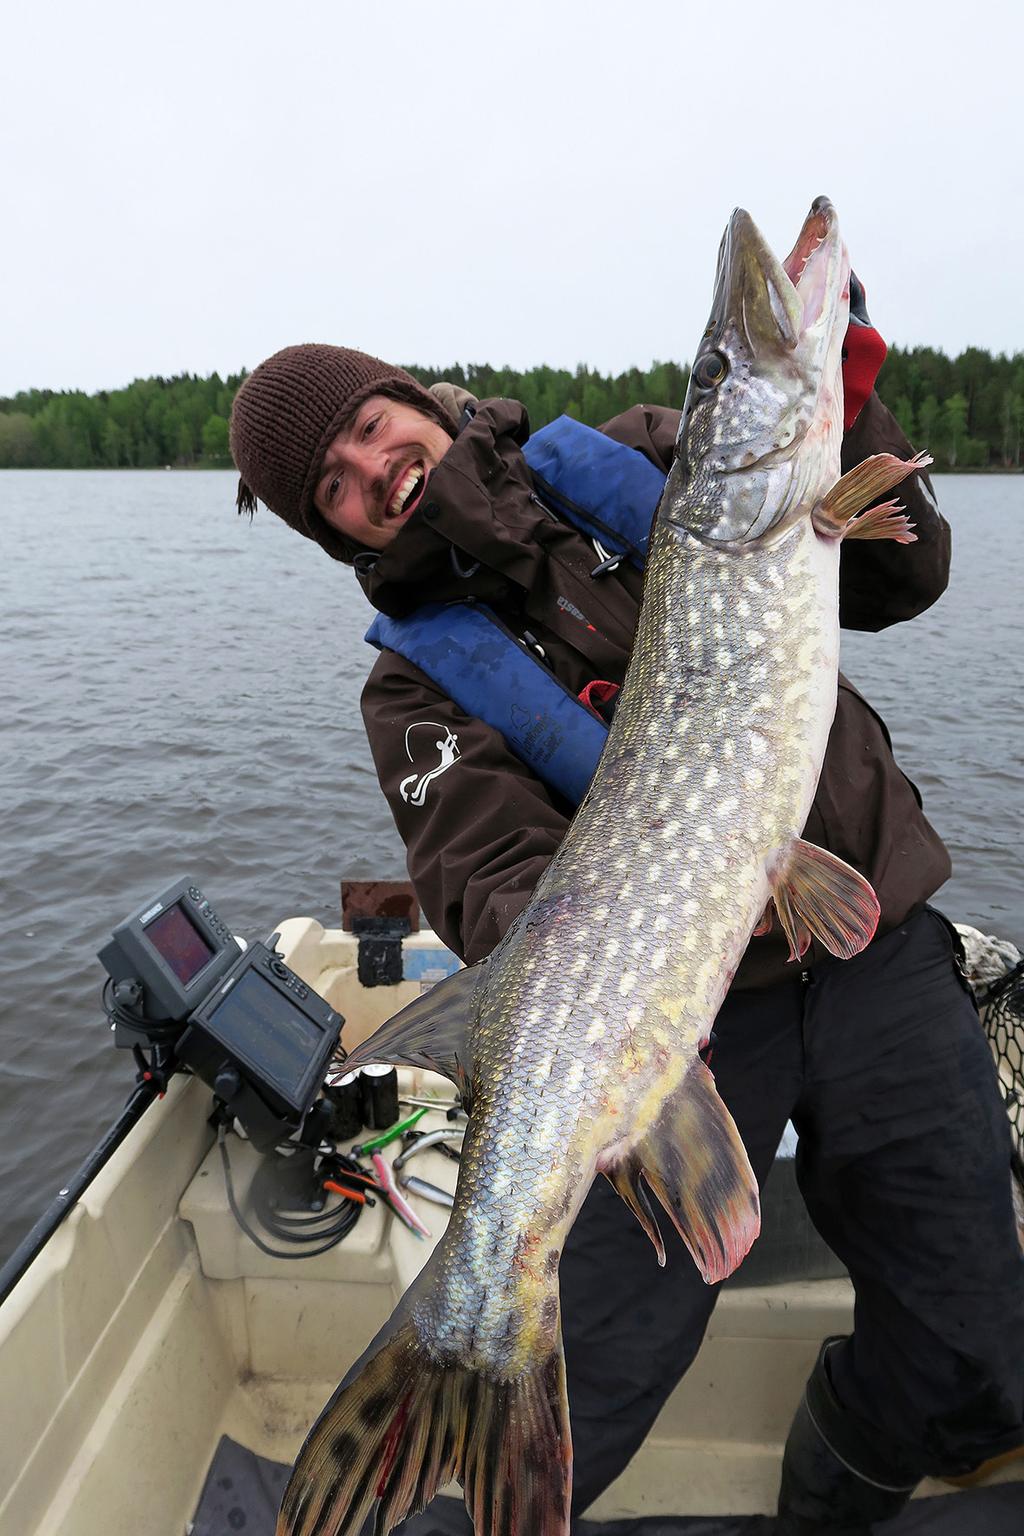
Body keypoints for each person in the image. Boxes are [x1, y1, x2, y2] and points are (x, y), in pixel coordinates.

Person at [229, 317, 1024, 1533]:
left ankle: (841, 1484)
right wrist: (617, 990)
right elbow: (487, 867)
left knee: (973, 1325)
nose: (368, 469)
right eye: (327, 488)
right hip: (668, 1019)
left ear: (413, 398)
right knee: (591, 1371)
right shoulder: (413, 682)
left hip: (874, 946)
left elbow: (900, 579)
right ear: (328, 529)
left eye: (365, 424)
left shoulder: (649, 463)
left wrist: (849, 416)